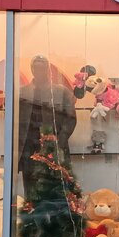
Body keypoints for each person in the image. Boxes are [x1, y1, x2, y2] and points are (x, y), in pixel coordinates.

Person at [17, 55, 76, 189]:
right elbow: (14, 121)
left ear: (47, 69)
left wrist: (60, 141)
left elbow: (71, 119)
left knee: (57, 187)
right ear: (32, 69)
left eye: (42, 68)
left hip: (54, 145)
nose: (39, 71)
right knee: (31, 188)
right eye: (36, 68)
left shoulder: (61, 92)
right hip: (29, 148)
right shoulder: (21, 93)